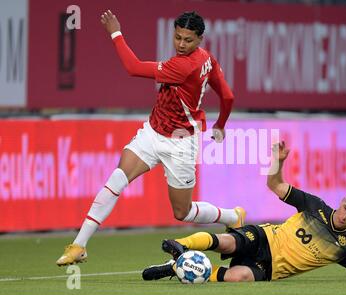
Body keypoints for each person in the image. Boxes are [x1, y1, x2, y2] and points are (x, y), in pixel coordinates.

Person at [56, 10, 245, 266]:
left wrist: (115, 31)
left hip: (180, 142)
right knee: (116, 180)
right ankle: (79, 244)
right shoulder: (207, 58)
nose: (180, 44)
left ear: (200, 39)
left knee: (183, 212)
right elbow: (228, 96)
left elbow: (133, 67)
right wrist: (220, 124)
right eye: (177, 37)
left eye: (188, 40)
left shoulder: (185, 65)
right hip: (153, 133)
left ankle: (232, 217)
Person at [142, 142, 346, 284]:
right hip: (266, 238)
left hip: (273, 269)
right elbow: (274, 183)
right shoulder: (314, 204)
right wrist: (277, 161)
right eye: (345, 208)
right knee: (228, 242)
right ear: (342, 201)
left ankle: (180, 268)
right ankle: (181, 247)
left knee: (238, 277)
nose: (344, 215)